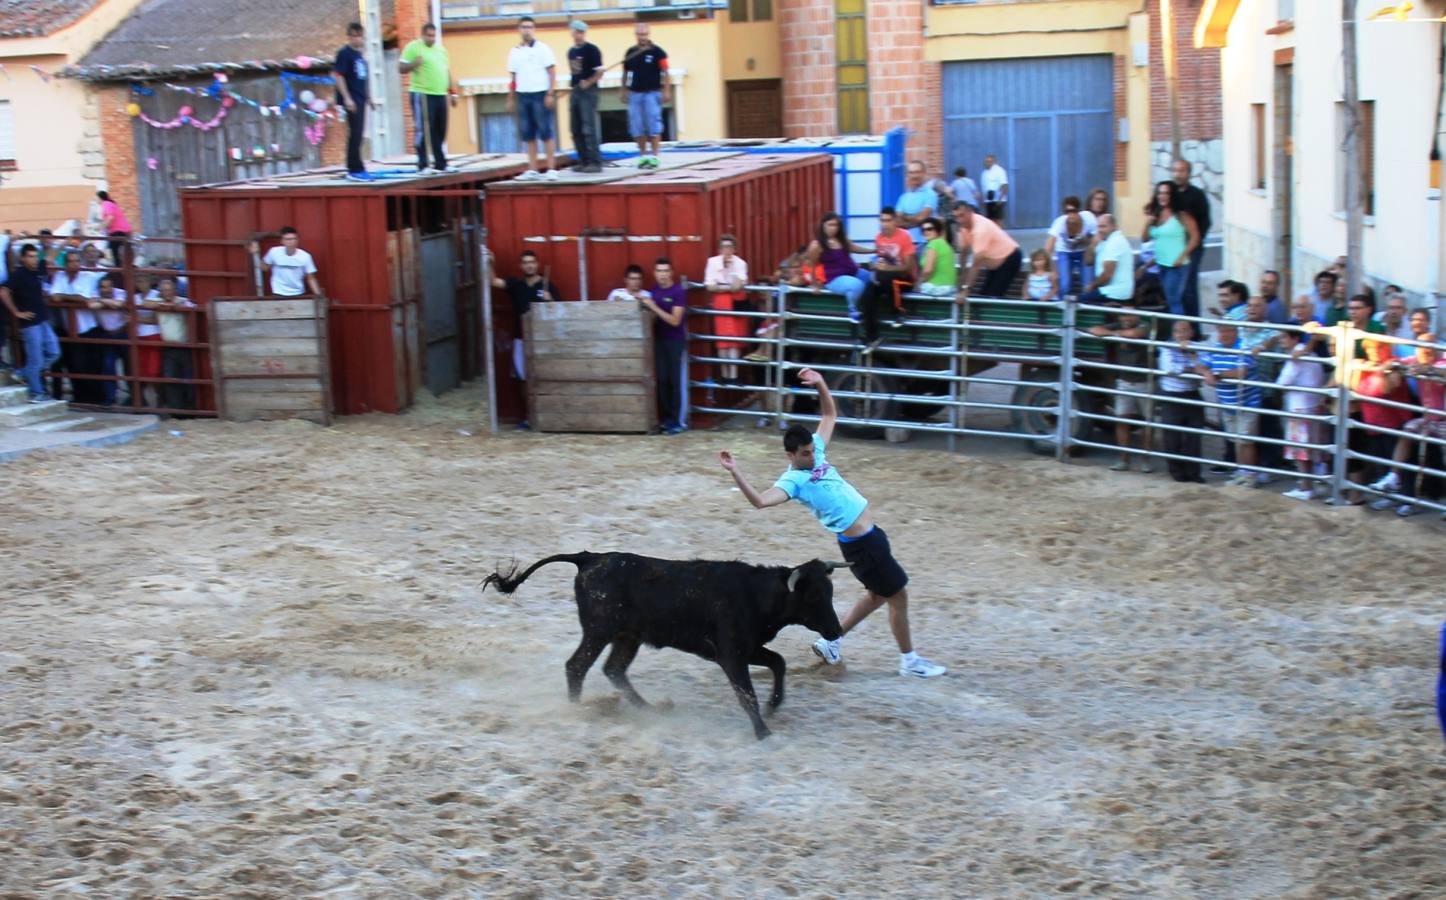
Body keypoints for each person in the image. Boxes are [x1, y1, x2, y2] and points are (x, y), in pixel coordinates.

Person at [717, 368, 947, 678]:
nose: (813, 456)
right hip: (863, 546)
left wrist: (821, 383)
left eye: (813, 450)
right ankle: (910, 661)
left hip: (870, 539)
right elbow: (760, 501)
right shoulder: (793, 481)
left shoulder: (816, 450)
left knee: (878, 596)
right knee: (898, 596)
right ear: (791, 455)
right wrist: (735, 472)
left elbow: (829, 414)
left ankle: (831, 641)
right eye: (805, 453)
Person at [1371, 337, 1445, 515]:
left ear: (1436, 349)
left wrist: (1427, 369)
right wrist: (1390, 367)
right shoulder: (1415, 361)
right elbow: (1395, 363)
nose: (1425, 351)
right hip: (1428, 420)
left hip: (1444, 419)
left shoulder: (1442, 362)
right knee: (1407, 431)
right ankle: (1394, 477)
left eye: (1428, 348)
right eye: (1421, 348)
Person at [489, 248, 560, 429]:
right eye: (526, 262)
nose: (529, 265)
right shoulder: (516, 285)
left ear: (537, 264)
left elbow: (560, 311)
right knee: (523, 378)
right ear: (521, 266)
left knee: (545, 377)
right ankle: (530, 417)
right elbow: (492, 281)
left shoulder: (547, 286)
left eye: (532, 262)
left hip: (542, 341)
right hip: (520, 339)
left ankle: (548, 417)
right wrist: (489, 262)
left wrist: (550, 299)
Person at [1089, 307, 1153, 472]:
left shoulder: (1144, 325)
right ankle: (1124, 460)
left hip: (1144, 382)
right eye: (1124, 314)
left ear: (1137, 315)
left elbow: (1135, 335)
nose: (1126, 317)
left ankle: (1145, 460)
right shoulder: (1118, 325)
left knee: (1148, 423)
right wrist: (1117, 333)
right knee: (1122, 421)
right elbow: (1093, 330)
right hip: (1124, 381)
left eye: (1130, 314)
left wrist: (1114, 334)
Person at [1201, 321, 1264, 487]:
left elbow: (1241, 372)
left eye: (1227, 331)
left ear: (1235, 332)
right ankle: (1241, 471)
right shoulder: (1216, 347)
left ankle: (1250, 475)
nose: (1224, 335)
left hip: (1247, 402)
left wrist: (1218, 375)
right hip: (1228, 403)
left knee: (1246, 440)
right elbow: (1200, 365)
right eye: (1221, 331)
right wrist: (1207, 372)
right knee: (1237, 440)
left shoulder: (1244, 346)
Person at [0, 244, 61, 403]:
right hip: (30, 323)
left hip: (42, 319)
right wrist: (15, 312)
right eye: (30, 256)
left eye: (35, 256)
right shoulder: (19, 274)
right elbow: (3, 292)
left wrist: (67, 241)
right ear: (23, 258)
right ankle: (36, 392)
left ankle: (23, 373)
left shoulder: (38, 269)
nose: (34, 260)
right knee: (37, 360)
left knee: (54, 352)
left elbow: (51, 256)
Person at [1276, 329, 1329, 501]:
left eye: (1284, 336)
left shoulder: (1296, 358)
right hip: (1312, 407)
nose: (1281, 340)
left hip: (1299, 408)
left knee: (1300, 452)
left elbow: (1282, 382)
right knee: (1309, 450)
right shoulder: (1311, 354)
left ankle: (1306, 487)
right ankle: (1309, 485)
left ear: (1295, 338)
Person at [399, 23, 459, 174]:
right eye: (428, 35)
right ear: (423, 34)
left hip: (440, 94)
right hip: (422, 93)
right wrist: (414, 64)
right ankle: (423, 163)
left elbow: (447, 71)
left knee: (440, 129)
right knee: (423, 129)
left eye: (433, 36)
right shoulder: (414, 47)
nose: (431, 38)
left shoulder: (441, 50)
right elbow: (401, 68)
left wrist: (453, 92)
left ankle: (440, 163)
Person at [640, 257, 687, 434]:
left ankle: (676, 422)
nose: (662, 275)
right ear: (654, 273)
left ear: (671, 273)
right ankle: (667, 419)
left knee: (675, 381)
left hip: (675, 341)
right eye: (659, 271)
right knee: (662, 381)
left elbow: (675, 321)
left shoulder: (678, 292)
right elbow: (651, 319)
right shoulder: (652, 292)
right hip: (659, 341)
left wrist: (654, 307)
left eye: (665, 271)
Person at [508, 16, 559, 181]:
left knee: (546, 131)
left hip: (540, 93)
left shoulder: (543, 49)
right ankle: (533, 169)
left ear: (534, 29)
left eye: (530, 27)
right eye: (523, 27)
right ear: (519, 30)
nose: (527, 30)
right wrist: (511, 97)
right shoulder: (514, 51)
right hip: (523, 95)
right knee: (528, 133)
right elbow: (513, 77)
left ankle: (551, 168)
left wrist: (550, 93)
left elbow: (551, 71)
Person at [48, 249, 102, 403]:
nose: (74, 264)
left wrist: (65, 297)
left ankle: (95, 400)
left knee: (91, 366)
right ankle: (81, 399)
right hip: (69, 329)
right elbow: (54, 297)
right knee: (75, 365)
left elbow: (83, 298)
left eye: (77, 261)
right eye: (71, 261)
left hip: (88, 329)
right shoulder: (60, 276)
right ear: (65, 264)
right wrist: (74, 299)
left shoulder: (88, 276)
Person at [1142, 180, 1201, 318]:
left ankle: (1178, 335)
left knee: (1174, 301)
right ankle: (1178, 332)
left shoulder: (1181, 216)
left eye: (1166, 193)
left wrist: (1182, 256)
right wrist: (1149, 222)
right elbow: (1145, 238)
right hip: (1162, 264)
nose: (1162, 196)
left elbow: (1195, 237)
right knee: (1170, 301)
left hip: (1177, 266)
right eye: (1160, 193)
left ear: (1172, 195)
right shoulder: (1156, 215)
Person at [805, 213, 871, 323]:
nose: (833, 228)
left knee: (872, 278)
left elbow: (854, 248)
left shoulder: (842, 239)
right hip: (835, 278)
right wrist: (814, 284)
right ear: (823, 226)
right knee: (856, 285)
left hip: (854, 271)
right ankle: (852, 310)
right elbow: (812, 264)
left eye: (836, 225)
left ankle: (869, 309)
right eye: (830, 225)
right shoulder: (817, 245)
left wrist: (873, 251)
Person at [144, 277, 196, 412]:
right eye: (164, 290)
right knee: (171, 379)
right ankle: (176, 410)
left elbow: (191, 307)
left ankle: (190, 409)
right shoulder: (158, 302)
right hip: (168, 348)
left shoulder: (182, 301)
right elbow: (146, 303)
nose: (167, 293)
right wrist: (165, 305)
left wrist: (173, 306)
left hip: (184, 346)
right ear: (160, 292)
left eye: (170, 290)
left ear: (174, 290)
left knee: (188, 380)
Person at [622, 23, 669, 169]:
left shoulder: (658, 52)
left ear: (648, 34)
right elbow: (625, 72)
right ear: (636, 35)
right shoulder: (630, 52)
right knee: (637, 126)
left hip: (652, 93)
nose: (642, 37)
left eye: (644, 34)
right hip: (635, 93)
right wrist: (623, 89)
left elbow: (666, 71)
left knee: (654, 125)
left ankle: (655, 156)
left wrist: (666, 90)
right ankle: (642, 156)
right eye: (639, 34)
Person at [703, 235, 749, 383]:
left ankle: (734, 375)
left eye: (730, 247)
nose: (727, 250)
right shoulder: (712, 262)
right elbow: (709, 286)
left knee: (734, 339)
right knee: (722, 339)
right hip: (721, 303)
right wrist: (728, 287)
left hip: (736, 302)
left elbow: (737, 285)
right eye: (724, 247)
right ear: (719, 249)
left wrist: (722, 284)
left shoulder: (740, 263)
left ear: (734, 249)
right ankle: (724, 374)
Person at [954, 202, 1022, 300]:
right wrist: (960, 284)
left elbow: (976, 264)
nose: (959, 220)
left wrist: (966, 289)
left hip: (1010, 258)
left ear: (970, 212)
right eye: (956, 217)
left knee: (991, 297)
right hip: (994, 265)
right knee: (984, 295)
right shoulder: (963, 228)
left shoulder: (980, 229)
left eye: (962, 215)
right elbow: (963, 254)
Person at [333, 22, 374, 182]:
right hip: (352, 99)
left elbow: (363, 78)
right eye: (354, 36)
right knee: (355, 133)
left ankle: (359, 165)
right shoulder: (345, 54)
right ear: (349, 37)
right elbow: (339, 76)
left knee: (360, 133)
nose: (357, 39)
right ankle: (353, 168)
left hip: (361, 98)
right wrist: (347, 98)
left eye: (359, 36)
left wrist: (369, 97)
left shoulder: (360, 55)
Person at [1171, 160, 1212, 322]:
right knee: (1172, 288)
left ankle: (1194, 328)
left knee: (1188, 288)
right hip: (1170, 249)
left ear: (1188, 173)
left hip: (1192, 248)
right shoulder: (1169, 195)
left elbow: (1205, 222)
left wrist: (1195, 242)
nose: (1178, 174)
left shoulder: (1197, 195)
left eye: (1182, 171)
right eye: (1175, 170)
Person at [566, 20, 604, 174]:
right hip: (575, 91)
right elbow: (575, 72)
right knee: (575, 128)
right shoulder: (571, 52)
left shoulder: (592, 50)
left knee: (588, 127)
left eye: (581, 32)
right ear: (572, 33)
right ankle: (583, 160)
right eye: (576, 32)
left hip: (589, 92)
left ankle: (595, 162)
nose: (579, 35)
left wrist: (588, 82)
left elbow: (600, 72)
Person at [870, 206, 917, 329]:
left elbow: (908, 267)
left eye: (888, 220)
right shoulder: (878, 238)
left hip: (905, 279)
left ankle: (898, 313)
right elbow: (881, 260)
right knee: (869, 288)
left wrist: (886, 268)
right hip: (886, 278)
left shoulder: (905, 236)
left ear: (895, 221)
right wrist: (875, 265)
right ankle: (871, 335)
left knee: (889, 279)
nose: (885, 224)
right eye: (882, 220)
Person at [89, 272, 129, 405]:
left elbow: (119, 304)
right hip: (107, 334)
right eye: (103, 287)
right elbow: (91, 305)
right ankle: (110, 398)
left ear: (113, 287)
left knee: (129, 366)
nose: (106, 290)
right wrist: (106, 301)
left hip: (123, 332)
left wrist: (102, 301)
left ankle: (134, 397)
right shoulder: (96, 294)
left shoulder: (120, 293)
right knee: (108, 365)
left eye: (108, 287)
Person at [1043, 196, 1095, 296]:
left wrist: (1086, 241)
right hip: (1064, 252)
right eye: (1067, 212)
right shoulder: (1059, 223)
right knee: (1064, 285)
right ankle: (1063, 307)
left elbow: (1096, 239)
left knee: (1088, 283)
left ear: (1079, 210)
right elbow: (1048, 248)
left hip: (1083, 251)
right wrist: (1053, 270)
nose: (1071, 215)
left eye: (1074, 211)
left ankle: (1087, 305)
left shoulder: (1088, 218)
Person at [1079, 214, 1135, 305]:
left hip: (1115, 292)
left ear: (1114, 227)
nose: (1100, 230)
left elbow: (1107, 274)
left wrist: (1092, 286)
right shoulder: (1104, 241)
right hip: (1108, 290)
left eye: (1103, 226)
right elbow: (1087, 262)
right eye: (1098, 227)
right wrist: (1093, 244)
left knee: (1079, 303)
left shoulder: (1115, 241)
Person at [249, 228, 321, 297]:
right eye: (287, 239)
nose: (291, 241)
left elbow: (311, 278)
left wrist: (318, 294)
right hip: (278, 293)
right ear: (282, 241)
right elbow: (265, 268)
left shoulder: (305, 256)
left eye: (293, 239)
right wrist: (255, 254)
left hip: (298, 293)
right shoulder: (274, 252)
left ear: (297, 240)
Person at [893, 161, 936, 244]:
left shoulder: (930, 194)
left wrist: (905, 217)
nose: (914, 176)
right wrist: (915, 219)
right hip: (906, 244)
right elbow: (897, 220)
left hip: (926, 244)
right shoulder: (904, 197)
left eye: (917, 172)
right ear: (908, 175)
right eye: (911, 173)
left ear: (923, 173)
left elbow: (922, 218)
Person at [913, 217, 955, 299]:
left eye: (929, 229)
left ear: (937, 230)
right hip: (949, 288)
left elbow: (928, 270)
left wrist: (919, 282)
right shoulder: (945, 244)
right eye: (923, 230)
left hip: (937, 288)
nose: (925, 232)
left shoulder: (933, 244)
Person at [96, 191, 133, 266]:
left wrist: (101, 228)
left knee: (115, 253)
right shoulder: (112, 204)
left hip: (117, 231)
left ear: (100, 198)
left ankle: (119, 271)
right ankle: (125, 269)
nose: (96, 200)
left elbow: (110, 218)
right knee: (124, 253)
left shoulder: (106, 204)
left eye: (96, 198)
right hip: (125, 230)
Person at [980, 154, 1009, 222]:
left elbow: (1004, 186)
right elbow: (983, 188)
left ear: (994, 161)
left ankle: (1001, 232)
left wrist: (1000, 200)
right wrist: (983, 201)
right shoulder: (984, 173)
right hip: (988, 201)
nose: (987, 163)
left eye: (989, 161)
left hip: (997, 200)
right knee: (990, 221)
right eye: (986, 161)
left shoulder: (999, 171)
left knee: (998, 220)